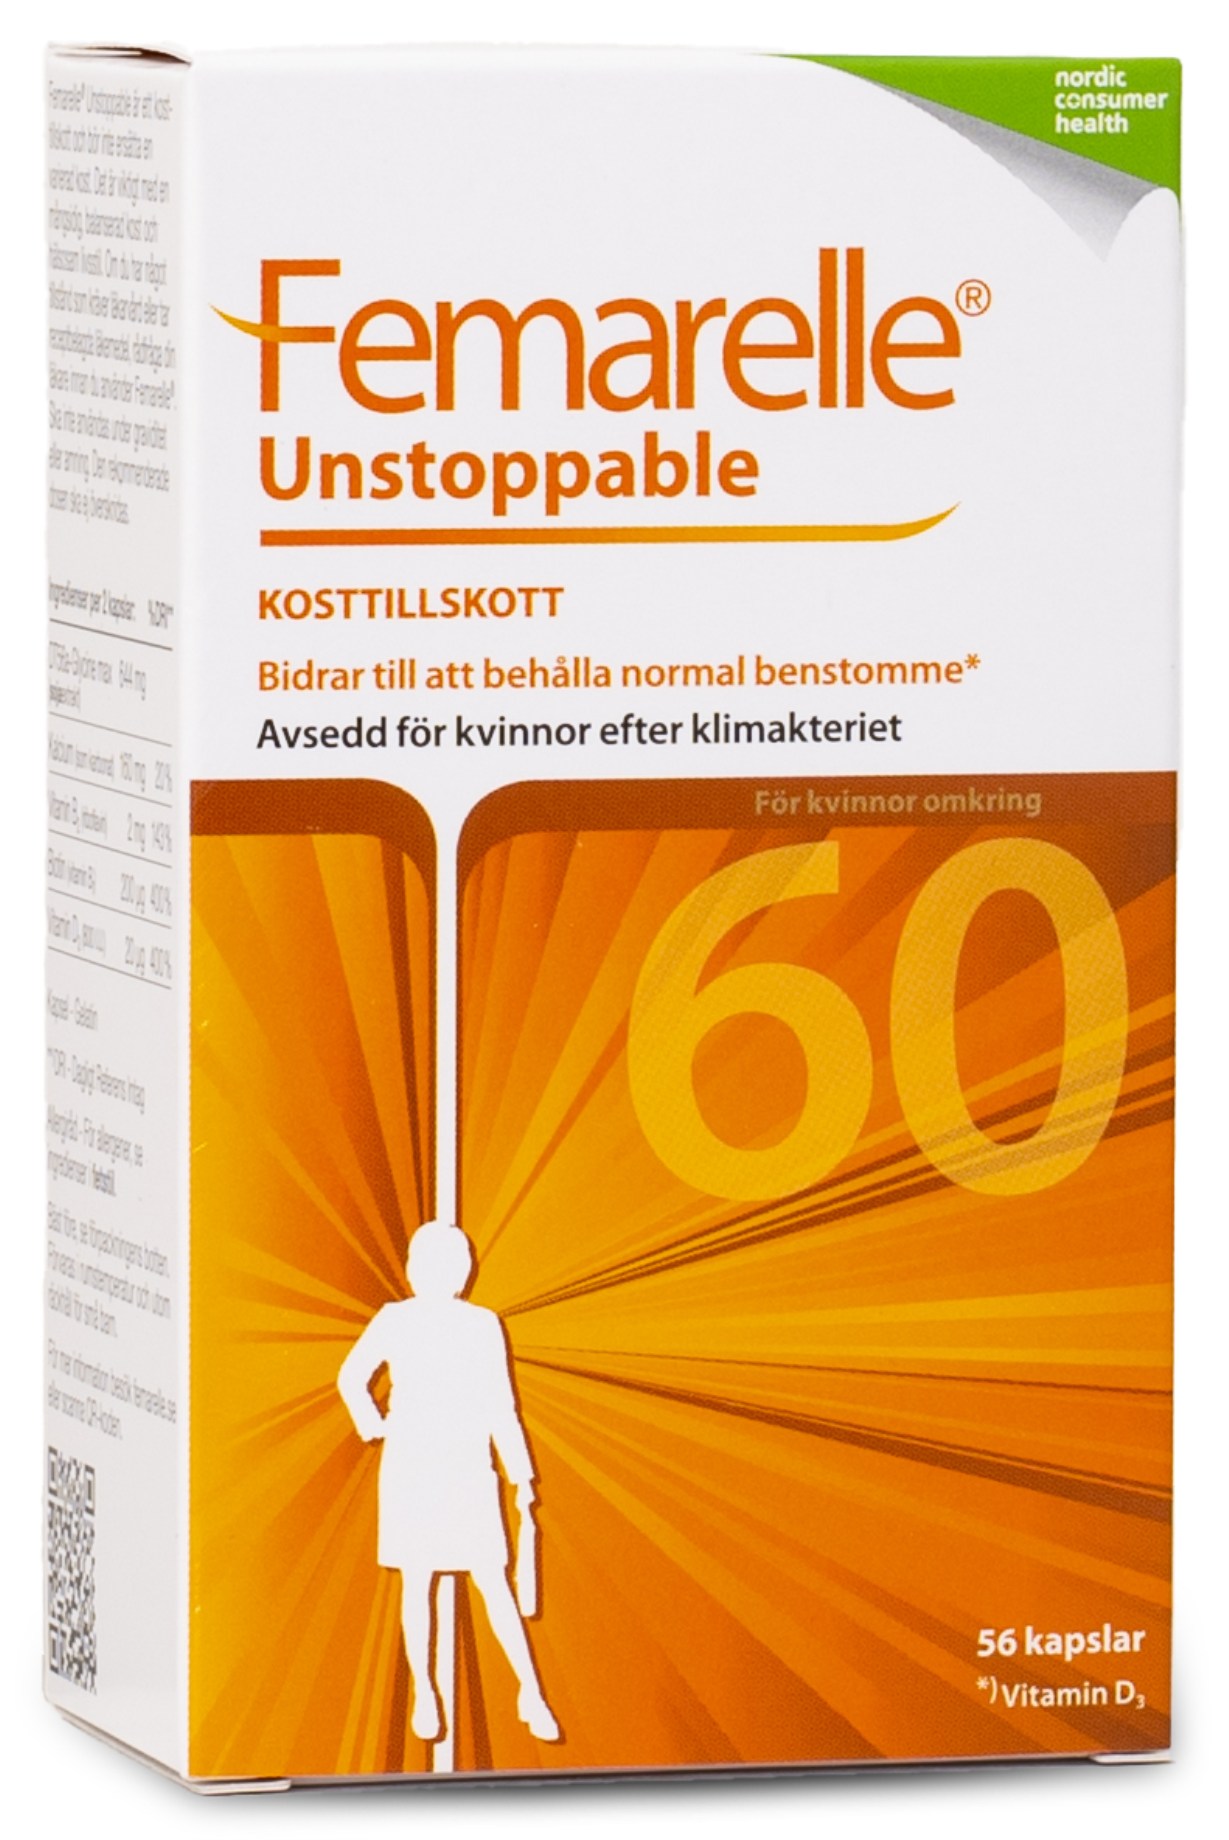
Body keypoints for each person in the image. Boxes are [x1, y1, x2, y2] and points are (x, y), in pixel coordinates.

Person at [338, 1220, 559, 1744]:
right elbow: (350, 1376)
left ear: (458, 1270)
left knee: (491, 1582)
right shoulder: (396, 1319)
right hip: (415, 1464)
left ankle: (530, 1691)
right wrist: (375, 1424)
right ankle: (426, 1693)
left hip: (465, 1465)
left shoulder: (482, 1325)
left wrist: (521, 1475)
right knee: (419, 1580)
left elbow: (501, 1406)